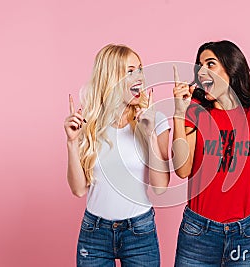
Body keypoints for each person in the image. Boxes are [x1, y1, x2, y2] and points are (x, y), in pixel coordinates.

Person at [172, 40, 250, 266]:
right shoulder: (195, 111)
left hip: (244, 233)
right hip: (197, 231)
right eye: (199, 67)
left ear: (231, 68)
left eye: (210, 64)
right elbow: (182, 169)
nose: (202, 72)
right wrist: (179, 114)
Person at [64, 44, 170, 267]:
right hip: (95, 233)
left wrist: (149, 134)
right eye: (130, 71)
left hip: (139, 232)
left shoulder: (156, 119)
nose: (139, 77)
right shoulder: (89, 122)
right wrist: (72, 143)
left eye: (140, 70)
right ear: (111, 77)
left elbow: (160, 187)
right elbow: (78, 189)